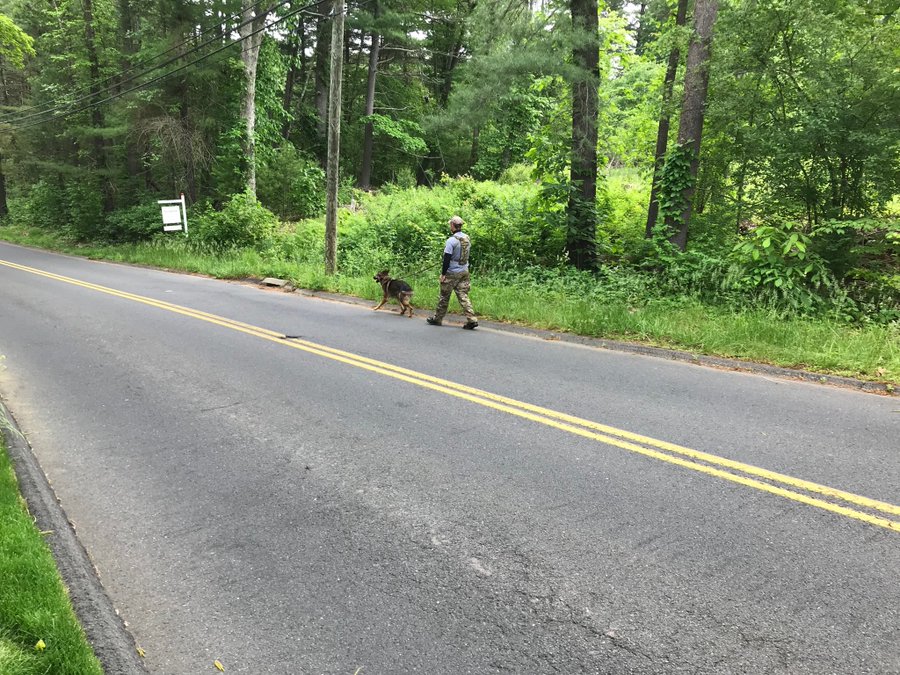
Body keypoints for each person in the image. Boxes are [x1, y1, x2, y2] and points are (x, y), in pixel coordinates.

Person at [427, 215, 478, 329]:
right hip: (464, 270)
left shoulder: (451, 241)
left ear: (452, 226)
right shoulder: (467, 238)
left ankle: (437, 319)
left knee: (444, 296)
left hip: (452, 272)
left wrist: (443, 274)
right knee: (463, 295)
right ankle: (472, 319)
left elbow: (447, 258)